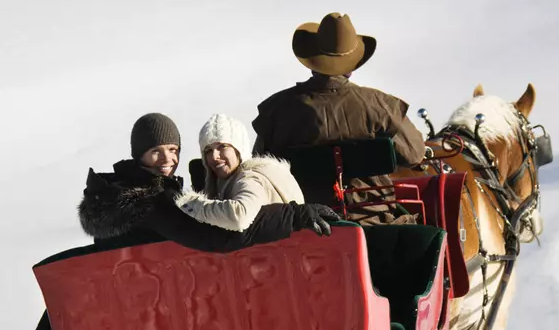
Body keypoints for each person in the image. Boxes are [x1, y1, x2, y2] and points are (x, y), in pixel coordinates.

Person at [251, 13, 427, 225]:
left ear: (312, 62)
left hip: (304, 222)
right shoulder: (380, 106)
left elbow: (259, 164)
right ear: (352, 66)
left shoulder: (276, 110)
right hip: (373, 220)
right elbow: (415, 154)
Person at [78, 112, 337, 251]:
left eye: (173, 149)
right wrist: (293, 216)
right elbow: (216, 237)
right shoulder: (147, 200)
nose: (167, 159)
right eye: (155, 151)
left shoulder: (118, 192)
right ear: (139, 155)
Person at [173, 114, 304, 231]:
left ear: (239, 149)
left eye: (222, 147)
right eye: (208, 151)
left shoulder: (251, 177)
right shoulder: (231, 181)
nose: (214, 156)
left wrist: (190, 204)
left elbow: (239, 216)